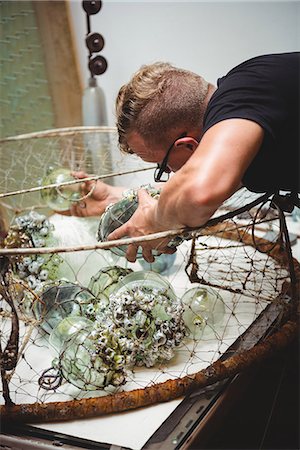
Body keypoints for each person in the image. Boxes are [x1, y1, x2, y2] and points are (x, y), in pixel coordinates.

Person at [70, 52, 299, 263]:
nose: (170, 173)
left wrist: (155, 222)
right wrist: (120, 200)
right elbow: (204, 189)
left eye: (164, 166)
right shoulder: (244, 108)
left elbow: (198, 194)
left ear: (187, 145)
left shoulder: (242, 94)